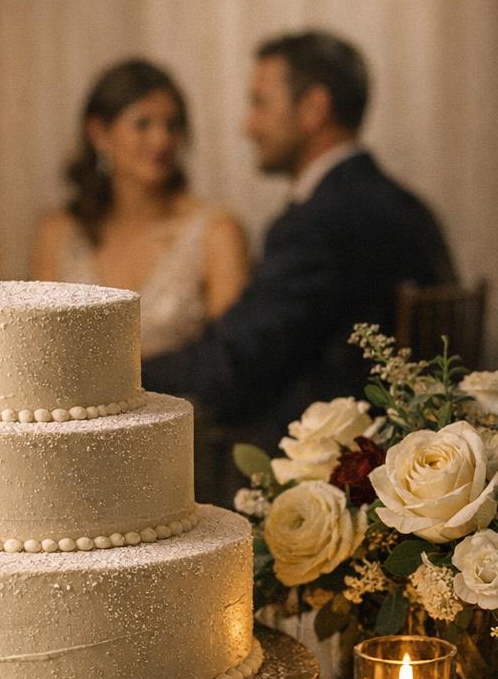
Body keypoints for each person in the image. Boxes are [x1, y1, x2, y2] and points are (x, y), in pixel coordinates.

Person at [142, 30, 454, 448]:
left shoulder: (319, 224)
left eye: (260, 104)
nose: (248, 127)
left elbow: (234, 365)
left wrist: (125, 372)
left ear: (313, 109)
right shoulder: (410, 208)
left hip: (341, 467)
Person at [32, 59, 249, 357]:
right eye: (142, 124)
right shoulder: (60, 231)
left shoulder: (216, 231)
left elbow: (231, 358)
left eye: (172, 126)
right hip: (72, 403)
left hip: (182, 402)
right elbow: (39, 344)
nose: (161, 140)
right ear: (99, 133)